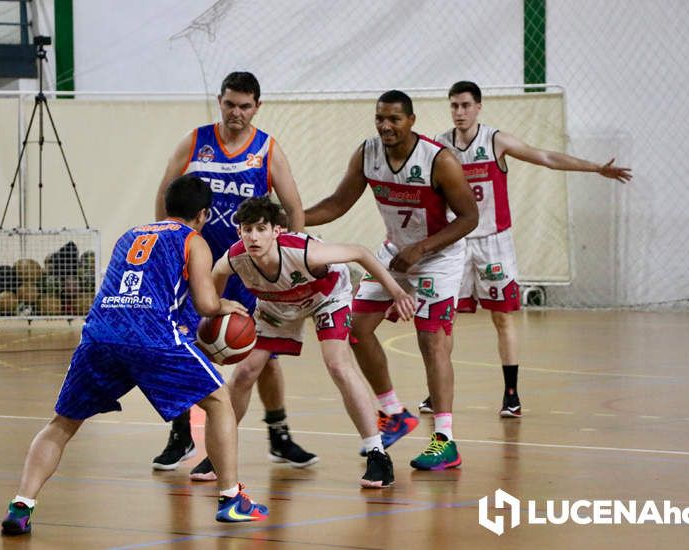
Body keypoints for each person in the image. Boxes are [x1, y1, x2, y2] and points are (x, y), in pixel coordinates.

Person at [0, 176, 268, 535]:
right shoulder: (194, 240)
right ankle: (232, 500)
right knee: (220, 401)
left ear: (168, 205)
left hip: (100, 333)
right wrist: (224, 306)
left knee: (61, 424)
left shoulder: (131, 234)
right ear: (204, 214)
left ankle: (21, 505)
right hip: (150, 334)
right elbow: (205, 302)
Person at [418, 80, 632, 418]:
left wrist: (595, 167)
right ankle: (436, 391)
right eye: (454, 106)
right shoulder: (439, 146)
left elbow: (545, 157)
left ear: (478, 107)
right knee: (445, 320)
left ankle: (512, 394)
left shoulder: (495, 140)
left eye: (465, 106)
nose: (459, 112)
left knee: (502, 317)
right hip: (456, 242)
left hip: (493, 242)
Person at [153, 71, 316, 479]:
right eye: (230, 104)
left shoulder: (267, 149)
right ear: (220, 101)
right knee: (185, 349)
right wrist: (169, 242)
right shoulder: (195, 141)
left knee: (266, 355)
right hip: (201, 266)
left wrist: (291, 258)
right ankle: (180, 434)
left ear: (257, 107)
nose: (236, 112)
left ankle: (278, 434)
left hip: (252, 267)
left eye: (245, 106)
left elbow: (294, 206)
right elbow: (165, 192)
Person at [304, 91, 478, 471]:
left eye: (394, 119)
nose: (385, 125)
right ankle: (393, 412)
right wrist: (292, 218)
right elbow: (337, 203)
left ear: (411, 121)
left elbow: (469, 218)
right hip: (394, 253)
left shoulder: (439, 160)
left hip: (439, 256)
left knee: (431, 339)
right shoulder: (367, 153)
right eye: (380, 118)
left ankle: (445, 440)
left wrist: (422, 248)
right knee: (356, 328)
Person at [192, 197, 415, 486]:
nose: (254, 236)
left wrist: (396, 292)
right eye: (247, 229)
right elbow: (215, 282)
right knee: (245, 372)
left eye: (261, 229)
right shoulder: (234, 258)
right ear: (239, 233)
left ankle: (377, 455)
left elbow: (359, 252)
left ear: (277, 231)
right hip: (276, 305)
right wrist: (218, 306)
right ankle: (216, 455)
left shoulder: (304, 252)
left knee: (337, 364)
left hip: (326, 298)